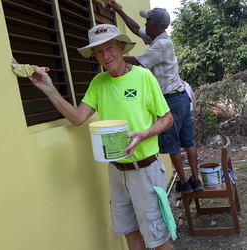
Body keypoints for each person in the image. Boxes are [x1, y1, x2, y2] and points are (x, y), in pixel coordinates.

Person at [28, 24, 174, 250]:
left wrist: (144, 135)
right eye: (99, 51)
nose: (106, 56)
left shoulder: (143, 77)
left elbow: (167, 119)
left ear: (121, 47)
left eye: (110, 48)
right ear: (94, 55)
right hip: (116, 170)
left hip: (144, 170)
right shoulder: (99, 82)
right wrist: (48, 88)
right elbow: (77, 118)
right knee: (129, 231)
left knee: (157, 236)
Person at [106, 2, 203, 194]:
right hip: (181, 97)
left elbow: (138, 61)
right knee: (188, 141)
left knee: (174, 144)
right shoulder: (157, 38)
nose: (145, 24)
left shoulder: (161, 44)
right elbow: (135, 29)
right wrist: (118, 10)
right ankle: (196, 179)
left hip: (171, 101)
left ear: (155, 25)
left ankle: (184, 183)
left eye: (147, 21)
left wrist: (112, 56)